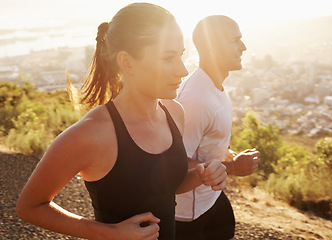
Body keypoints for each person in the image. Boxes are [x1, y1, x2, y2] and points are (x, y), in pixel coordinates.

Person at [15, 3, 227, 240]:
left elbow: (163, 188)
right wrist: (110, 232)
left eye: (181, 55)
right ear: (127, 62)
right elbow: (29, 207)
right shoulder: (91, 134)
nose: (182, 69)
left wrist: (201, 174)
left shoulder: (174, 113)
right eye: (168, 58)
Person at [174, 15, 261, 240]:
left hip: (210, 197)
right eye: (235, 40)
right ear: (208, 46)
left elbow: (205, 142)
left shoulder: (214, 85)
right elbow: (175, 165)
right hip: (187, 215)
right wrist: (232, 167)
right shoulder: (195, 100)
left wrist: (229, 155)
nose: (243, 47)